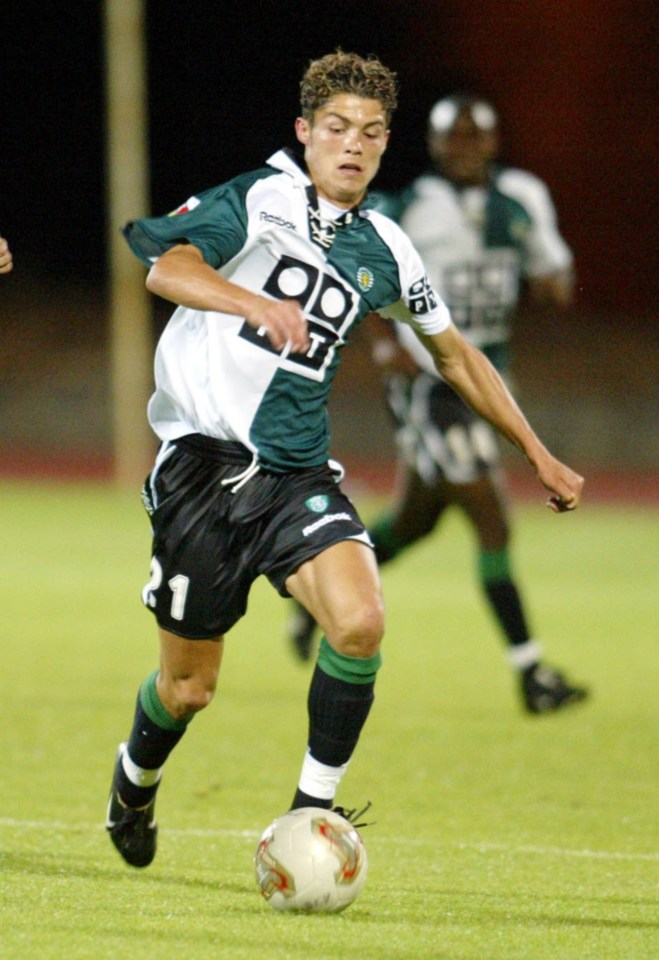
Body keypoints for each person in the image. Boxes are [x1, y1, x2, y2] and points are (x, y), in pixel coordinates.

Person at [106, 55, 584, 869]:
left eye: (368, 133)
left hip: (296, 475)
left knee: (360, 623)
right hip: (201, 470)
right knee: (188, 689)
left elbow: (456, 356)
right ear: (304, 133)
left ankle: (310, 819)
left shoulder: (387, 246)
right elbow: (167, 267)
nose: (351, 146)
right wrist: (254, 300)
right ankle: (133, 784)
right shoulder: (261, 197)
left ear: (385, 142)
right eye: (335, 129)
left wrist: (535, 451)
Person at [287, 93, 588, 715]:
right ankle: (531, 673)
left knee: (420, 518)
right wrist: (382, 343)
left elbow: (553, 269)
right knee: (490, 517)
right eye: (454, 138)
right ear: (433, 145)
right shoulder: (408, 207)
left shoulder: (523, 198)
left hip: (491, 379)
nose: (465, 148)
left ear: (494, 142)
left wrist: (555, 280)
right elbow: (352, 271)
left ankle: (316, 600)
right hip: (429, 385)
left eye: (476, 137)